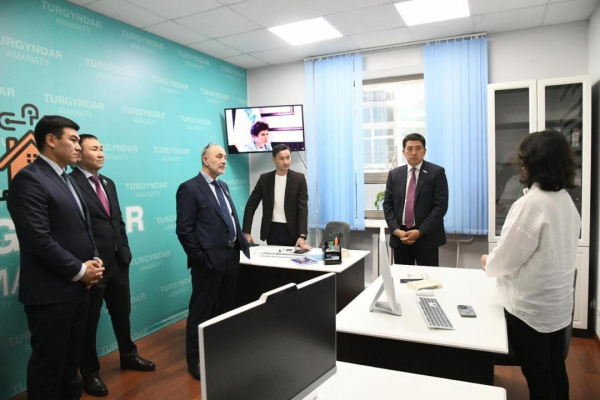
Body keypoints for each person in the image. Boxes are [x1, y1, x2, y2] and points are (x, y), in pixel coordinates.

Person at [7, 115, 105, 400]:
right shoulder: (30, 179)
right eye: (73, 140)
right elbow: (37, 240)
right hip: (50, 295)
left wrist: (94, 259)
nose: (79, 146)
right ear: (50, 140)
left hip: (78, 291)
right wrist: (80, 270)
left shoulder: (67, 178)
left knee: (70, 367)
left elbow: (83, 228)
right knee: (49, 369)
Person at [481, 130, 580, 400]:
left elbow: (506, 260)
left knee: (539, 378)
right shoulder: (565, 201)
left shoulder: (531, 204)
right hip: (557, 308)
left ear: (533, 163)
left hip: (530, 312)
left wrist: (488, 262)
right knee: (555, 370)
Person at [70, 134, 155, 397]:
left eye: (102, 148)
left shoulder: (108, 182)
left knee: (122, 314)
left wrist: (124, 250)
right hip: (93, 267)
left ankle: (128, 356)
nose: (101, 153)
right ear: (79, 154)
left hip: (118, 262)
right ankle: (90, 373)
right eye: (94, 149)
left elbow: (117, 221)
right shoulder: (70, 183)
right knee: (89, 323)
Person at [175, 143, 250, 380]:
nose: (224, 160)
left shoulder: (223, 186)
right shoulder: (189, 188)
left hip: (231, 257)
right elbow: (184, 230)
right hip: (208, 262)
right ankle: (195, 360)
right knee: (201, 311)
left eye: (225, 157)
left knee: (224, 309)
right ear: (205, 159)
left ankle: (218, 352)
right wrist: (201, 258)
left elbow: (229, 219)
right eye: (219, 156)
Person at [383, 133, 448, 266]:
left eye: (418, 148)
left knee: (428, 277)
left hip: (426, 237)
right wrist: (396, 230)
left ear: (424, 151)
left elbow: (440, 206)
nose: (414, 152)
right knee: (402, 276)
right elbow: (388, 205)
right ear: (403, 152)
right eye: (409, 148)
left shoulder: (436, 172)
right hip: (400, 237)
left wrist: (420, 231)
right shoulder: (394, 174)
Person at [243, 144, 310, 248]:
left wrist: (303, 235)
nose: (286, 162)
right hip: (272, 230)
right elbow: (251, 205)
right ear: (273, 159)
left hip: (293, 230)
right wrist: (246, 232)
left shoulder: (299, 179)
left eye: (288, 157)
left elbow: (303, 208)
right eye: (282, 158)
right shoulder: (264, 179)